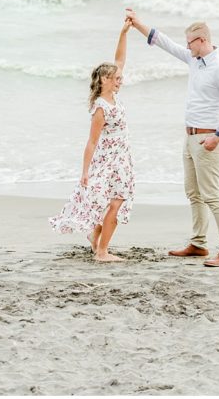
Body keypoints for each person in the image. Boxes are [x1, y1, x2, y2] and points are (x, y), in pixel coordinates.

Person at [125, 9, 219, 267]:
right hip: (189, 137)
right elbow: (165, 43)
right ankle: (199, 244)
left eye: (190, 43)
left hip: (209, 138)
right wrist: (138, 24)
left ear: (202, 40)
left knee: (212, 194)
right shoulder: (194, 60)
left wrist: (218, 137)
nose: (187, 48)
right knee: (193, 193)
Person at [49, 17, 135, 262]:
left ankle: (95, 240)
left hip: (122, 160)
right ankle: (102, 252)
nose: (121, 79)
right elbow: (92, 143)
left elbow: (120, 60)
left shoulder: (114, 96)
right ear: (105, 81)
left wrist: (124, 32)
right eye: (116, 78)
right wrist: (85, 172)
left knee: (111, 203)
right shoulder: (101, 108)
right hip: (109, 163)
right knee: (115, 204)